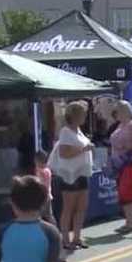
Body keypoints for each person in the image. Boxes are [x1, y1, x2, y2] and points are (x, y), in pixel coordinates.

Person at [50, 102, 93, 250]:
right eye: (82, 114)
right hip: (69, 174)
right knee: (69, 208)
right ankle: (65, 239)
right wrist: (84, 149)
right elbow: (64, 153)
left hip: (82, 172)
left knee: (81, 207)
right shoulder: (65, 131)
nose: (85, 116)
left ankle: (77, 237)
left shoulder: (78, 130)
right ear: (74, 115)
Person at [111, 101, 132, 235]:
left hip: (129, 162)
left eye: (117, 111)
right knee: (123, 192)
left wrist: (124, 148)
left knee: (128, 192)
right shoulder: (120, 125)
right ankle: (128, 221)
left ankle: (130, 222)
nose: (115, 114)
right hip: (120, 163)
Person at [34, 151, 56, 226]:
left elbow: (39, 181)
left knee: (39, 215)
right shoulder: (47, 170)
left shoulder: (42, 171)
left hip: (42, 197)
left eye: (36, 161)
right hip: (47, 196)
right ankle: (54, 228)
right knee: (49, 215)